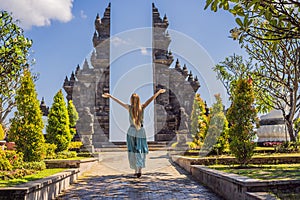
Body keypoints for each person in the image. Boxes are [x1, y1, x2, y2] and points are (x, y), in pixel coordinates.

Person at [102, 88, 166, 178]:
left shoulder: (129, 108)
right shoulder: (142, 107)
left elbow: (119, 102)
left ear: (131, 100)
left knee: (132, 150)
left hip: (132, 131)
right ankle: (139, 169)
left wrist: (110, 96)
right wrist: (158, 92)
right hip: (140, 131)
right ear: (139, 100)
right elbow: (151, 99)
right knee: (140, 149)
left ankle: (136, 169)